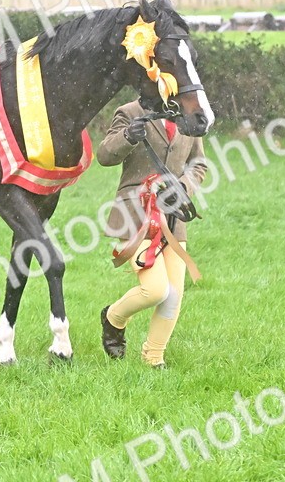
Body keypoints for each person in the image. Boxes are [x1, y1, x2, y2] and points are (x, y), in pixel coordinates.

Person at [97, 98, 208, 369]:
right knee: (156, 290)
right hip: (135, 214)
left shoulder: (190, 114)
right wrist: (127, 137)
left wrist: (182, 186)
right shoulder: (130, 112)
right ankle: (113, 318)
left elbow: (199, 165)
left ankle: (153, 359)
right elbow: (104, 156)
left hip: (174, 216)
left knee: (174, 295)